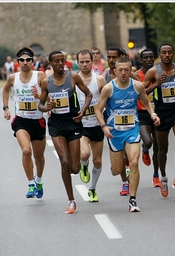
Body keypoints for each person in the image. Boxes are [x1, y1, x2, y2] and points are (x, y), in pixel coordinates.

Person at [95, 56, 160, 212]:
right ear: (115, 71)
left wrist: (153, 114)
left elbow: (146, 102)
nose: (123, 73)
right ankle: (119, 163)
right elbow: (98, 109)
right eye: (120, 70)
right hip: (114, 132)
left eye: (126, 70)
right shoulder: (109, 88)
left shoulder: (137, 86)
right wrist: (104, 126)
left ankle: (133, 200)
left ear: (130, 70)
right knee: (117, 170)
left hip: (132, 129)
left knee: (134, 162)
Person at [38, 50, 92, 214]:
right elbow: (40, 105)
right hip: (56, 125)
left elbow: (88, 95)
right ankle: (71, 201)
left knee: (74, 168)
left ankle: (82, 165)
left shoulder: (73, 77)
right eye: (57, 61)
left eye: (63, 60)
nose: (61, 63)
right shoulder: (47, 83)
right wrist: (46, 107)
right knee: (64, 161)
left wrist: (82, 110)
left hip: (73, 123)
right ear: (51, 64)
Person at [2, 46, 48, 199]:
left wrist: (39, 95)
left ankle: (39, 180)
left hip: (38, 120)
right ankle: (30, 183)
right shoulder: (13, 78)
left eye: (28, 59)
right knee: (26, 151)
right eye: (22, 60)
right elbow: (5, 90)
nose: (25, 62)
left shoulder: (40, 76)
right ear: (18, 62)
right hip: (21, 120)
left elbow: (47, 97)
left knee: (39, 156)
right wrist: (6, 108)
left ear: (32, 61)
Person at [143, 43, 175, 198]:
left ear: (173, 53)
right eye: (164, 52)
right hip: (161, 113)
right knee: (163, 149)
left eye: (169, 52)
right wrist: (156, 84)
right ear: (159, 54)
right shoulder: (153, 71)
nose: (167, 55)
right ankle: (163, 177)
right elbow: (141, 92)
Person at [103, 46, 138, 196]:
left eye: (114, 57)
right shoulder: (104, 76)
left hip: (131, 119)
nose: (111, 60)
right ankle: (124, 180)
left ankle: (129, 185)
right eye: (109, 57)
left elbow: (141, 89)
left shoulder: (130, 73)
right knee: (120, 158)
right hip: (112, 121)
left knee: (130, 156)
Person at [75, 49, 107, 202]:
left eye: (87, 61)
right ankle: (84, 164)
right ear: (77, 63)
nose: (85, 64)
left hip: (96, 124)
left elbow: (108, 97)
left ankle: (92, 189)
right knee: (84, 154)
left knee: (98, 161)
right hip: (81, 125)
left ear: (92, 61)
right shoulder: (73, 80)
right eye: (82, 62)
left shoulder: (99, 79)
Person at [136, 48, 160, 187]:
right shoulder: (136, 75)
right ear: (141, 60)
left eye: (151, 57)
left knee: (157, 146)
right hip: (142, 113)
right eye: (145, 58)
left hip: (158, 112)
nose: (149, 60)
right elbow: (141, 94)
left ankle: (156, 175)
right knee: (148, 141)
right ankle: (145, 149)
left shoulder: (159, 72)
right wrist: (156, 84)